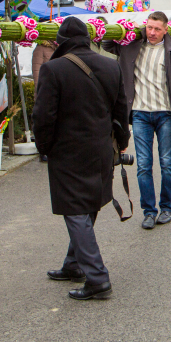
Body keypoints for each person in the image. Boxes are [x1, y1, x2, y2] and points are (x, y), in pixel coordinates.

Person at [33, 17, 131, 301]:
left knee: (75, 210)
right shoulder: (110, 64)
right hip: (101, 147)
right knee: (88, 204)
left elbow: (43, 116)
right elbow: (121, 108)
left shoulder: (54, 69)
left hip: (68, 150)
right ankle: (74, 264)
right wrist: (120, 142)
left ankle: (97, 277)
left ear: (62, 41)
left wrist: (44, 147)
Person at [103, 11, 171, 230]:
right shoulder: (131, 45)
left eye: (157, 29)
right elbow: (106, 44)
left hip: (165, 114)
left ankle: (166, 207)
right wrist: (124, 28)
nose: (152, 33)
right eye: (149, 27)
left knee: (167, 163)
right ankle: (149, 211)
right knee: (143, 165)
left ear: (166, 30)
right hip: (140, 113)